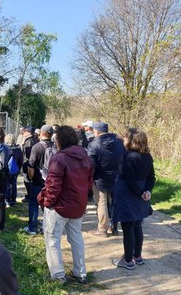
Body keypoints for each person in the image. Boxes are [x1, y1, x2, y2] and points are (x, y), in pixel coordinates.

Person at [38, 126, 93, 284]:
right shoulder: (86, 157)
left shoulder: (60, 158)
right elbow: (89, 184)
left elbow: (53, 185)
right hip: (77, 206)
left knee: (52, 239)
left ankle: (58, 275)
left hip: (59, 207)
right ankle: (80, 273)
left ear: (59, 140)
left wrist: (47, 202)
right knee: (76, 239)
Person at [112, 128, 155, 270]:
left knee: (127, 227)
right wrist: (147, 191)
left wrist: (139, 193)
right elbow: (151, 177)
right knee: (137, 225)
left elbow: (129, 179)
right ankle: (138, 256)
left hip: (128, 195)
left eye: (125, 138)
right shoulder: (147, 156)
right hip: (141, 194)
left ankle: (128, 260)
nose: (124, 141)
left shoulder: (128, 156)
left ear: (131, 140)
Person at [87, 122, 125, 237]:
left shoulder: (93, 145)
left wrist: (90, 179)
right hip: (117, 177)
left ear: (97, 131)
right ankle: (114, 227)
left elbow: (91, 165)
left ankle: (102, 229)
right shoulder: (119, 142)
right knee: (114, 202)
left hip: (100, 178)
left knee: (101, 202)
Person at [24, 125, 55, 235]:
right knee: (48, 205)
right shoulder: (56, 146)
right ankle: (47, 227)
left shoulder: (37, 147)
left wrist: (31, 178)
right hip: (52, 182)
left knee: (33, 203)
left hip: (38, 180)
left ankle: (32, 228)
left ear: (41, 133)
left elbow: (31, 165)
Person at [5, 134, 23, 207]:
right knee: (14, 184)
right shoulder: (18, 149)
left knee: (7, 185)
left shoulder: (5, 149)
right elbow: (21, 160)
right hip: (15, 169)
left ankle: (7, 200)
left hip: (6, 170)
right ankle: (13, 200)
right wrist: (18, 168)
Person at [21, 126, 35, 203]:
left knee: (27, 180)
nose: (23, 133)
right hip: (30, 163)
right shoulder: (34, 139)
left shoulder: (29, 141)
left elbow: (28, 154)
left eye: (25, 131)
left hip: (28, 163)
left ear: (28, 132)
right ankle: (30, 195)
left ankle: (30, 196)